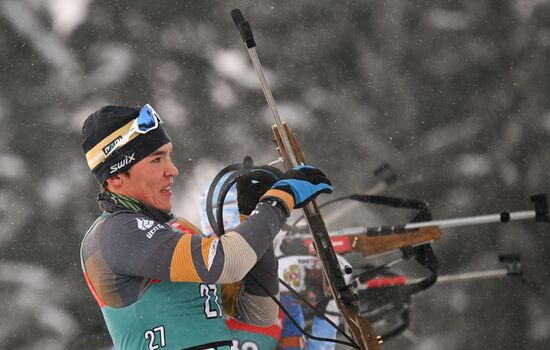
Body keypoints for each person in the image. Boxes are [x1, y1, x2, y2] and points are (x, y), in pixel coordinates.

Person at [79, 103, 333, 350]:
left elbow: (259, 312)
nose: (173, 170)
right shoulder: (114, 233)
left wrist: (251, 215)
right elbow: (227, 262)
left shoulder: (179, 229)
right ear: (114, 177)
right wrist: (278, 202)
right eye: (156, 160)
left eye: (169, 156)